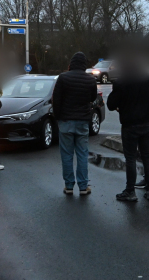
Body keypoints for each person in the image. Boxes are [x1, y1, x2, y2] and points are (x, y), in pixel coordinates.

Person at [107, 59, 149, 202]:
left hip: (129, 125)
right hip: (146, 123)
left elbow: (110, 104)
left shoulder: (120, 82)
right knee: (147, 156)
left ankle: (130, 191)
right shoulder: (147, 78)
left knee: (131, 158)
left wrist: (120, 107)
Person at [52, 52, 97, 196]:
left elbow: (56, 100)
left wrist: (58, 117)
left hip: (65, 120)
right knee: (82, 154)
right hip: (83, 121)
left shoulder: (63, 78)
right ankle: (83, 187)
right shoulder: (90, 80)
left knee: (67, 155)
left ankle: (69, 186)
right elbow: (93, 98)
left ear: (71, 64)